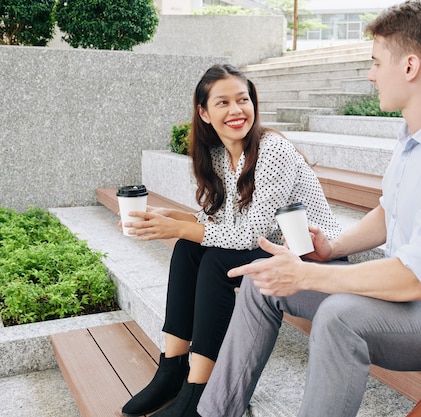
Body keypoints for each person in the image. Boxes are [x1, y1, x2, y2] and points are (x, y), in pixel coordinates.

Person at [195, 1, 421, 417]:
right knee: (262, 281)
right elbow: (386, 213)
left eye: (377, 62)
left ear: (410, 67)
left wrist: (307, 272)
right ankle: (215, 413)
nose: (371, 74)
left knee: (340, 316)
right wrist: (331, 247)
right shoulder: (413, 138)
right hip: (404, 300)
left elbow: (414, 279)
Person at [119, 64, 342, 417]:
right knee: (190, 248)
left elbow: (250, 233)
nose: (236, 110)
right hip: (270, 246)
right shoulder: (220, 155)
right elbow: (220, 222)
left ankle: (198, 390)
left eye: (243, 99)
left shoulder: (273, 150)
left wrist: (181, 227)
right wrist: (172, 219)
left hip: (311, 254)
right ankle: (172, 368)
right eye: (223, 103)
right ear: (204, 113)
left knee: (217, 261)